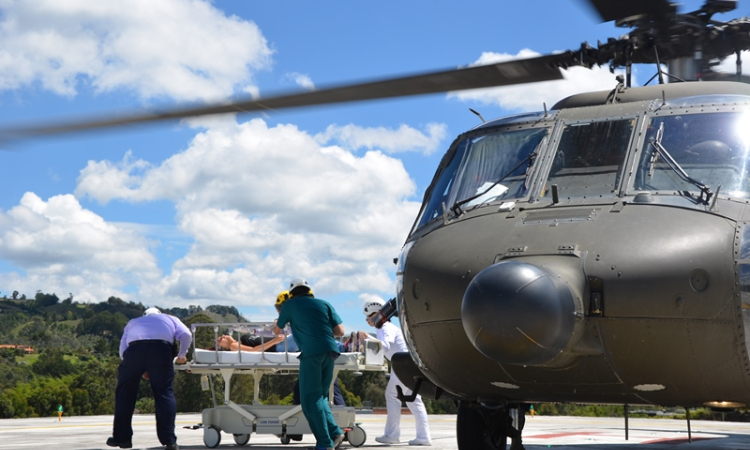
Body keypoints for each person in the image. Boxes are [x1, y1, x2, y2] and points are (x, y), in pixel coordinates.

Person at [273, 278, 346, 450]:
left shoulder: (290, 305)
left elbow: (277, 330)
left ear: (292, 293)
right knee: (320, 397)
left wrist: (281, 322)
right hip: (331, 352)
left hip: (312, 354)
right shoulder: (325, 304)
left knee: (309, 400)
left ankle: (324, 443)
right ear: (308, 290)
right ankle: (335, 433)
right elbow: (340, 331)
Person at [107, 307, 192, 450]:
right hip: (161, 350)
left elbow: (123, 349)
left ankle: (122, 439)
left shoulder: (133, 322)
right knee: (164, 393)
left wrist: (136, 368)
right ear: (159, 314)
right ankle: (170, 441)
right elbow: (186, 334)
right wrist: (182, 355)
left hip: (134, 351)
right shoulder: (171, 318)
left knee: (124, 394)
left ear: (144, 315)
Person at [364, 298, 432, 446]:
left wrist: (366, 338)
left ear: (375, 314)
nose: (367, 320)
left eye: (368, 317)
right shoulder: (387, 326)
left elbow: (385, 346)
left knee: (392, 395)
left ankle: (392, 435)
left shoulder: (383, 327)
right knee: (414, 401)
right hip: (409, 364)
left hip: (402, 365)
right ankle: (423, 437)